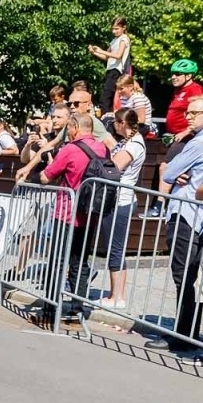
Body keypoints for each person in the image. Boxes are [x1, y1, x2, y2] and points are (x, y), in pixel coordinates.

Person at [39, 113, 106, 322]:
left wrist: (50, 162)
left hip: (66, 213)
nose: (68, 132)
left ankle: (50, 310)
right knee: (80, 262)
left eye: (69, 128)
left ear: (75, 127)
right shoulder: (102, 148)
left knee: (57, 262)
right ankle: (77, 309)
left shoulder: (70, 149)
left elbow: (45, 177)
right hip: (90, 215)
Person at [149, 97, 203, 353]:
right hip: (195, 216)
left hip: (187, 214)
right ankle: (188, 332)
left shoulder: (198, 142)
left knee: (183, 277)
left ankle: (182, 335)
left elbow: (169, 173)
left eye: (194, 113)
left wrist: (177, 172)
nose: (189, 117)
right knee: (190, 277)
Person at [105, 108, 148, 311]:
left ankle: (118, 296)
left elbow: (116, 166)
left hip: (122, 199)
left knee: (116, 247)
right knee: (114, 246)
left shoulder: (135, 144)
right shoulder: (126, 142)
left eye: (115, 121)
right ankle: (115, 293)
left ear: (122, 123)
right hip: (117, 199)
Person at [88, 17, 133, 114]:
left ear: (124, 28)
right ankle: (106, 114)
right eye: (113, 29)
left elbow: (118, 55)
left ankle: (106, 116)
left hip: (117, 71)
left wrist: (101, 50)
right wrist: (95, 52)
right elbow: (106, 57)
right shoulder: (114, 41)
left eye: (117, 29)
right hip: (110, 70)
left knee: (106, 96)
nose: (114, 31)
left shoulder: (124, 39)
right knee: (106, 96)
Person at [164, 59, 202, 147]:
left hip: (186, 138)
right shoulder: (179, 90)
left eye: (177, 74)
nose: (173, 77)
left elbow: (199, 114)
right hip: (175, 136)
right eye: (172, 74)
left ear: (188, 76)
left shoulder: (195, 89)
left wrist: (186, 132)